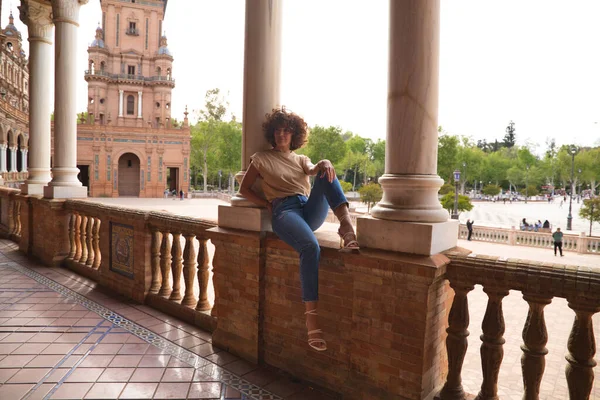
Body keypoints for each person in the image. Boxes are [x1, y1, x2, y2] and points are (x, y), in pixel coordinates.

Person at [239, 107, 359, 352]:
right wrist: (266, 203)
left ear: (294, 135)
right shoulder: (261, 158)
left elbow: (315, 171)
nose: (282, 134)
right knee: (310, 247)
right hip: (285, 212)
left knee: (327, 170)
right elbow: (244, 190)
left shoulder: (301, 159)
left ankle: (346, 227)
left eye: (287, 130)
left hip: (308, 209)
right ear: (273, 134)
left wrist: (323, 163)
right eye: (278, 130)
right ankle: (311, 317)